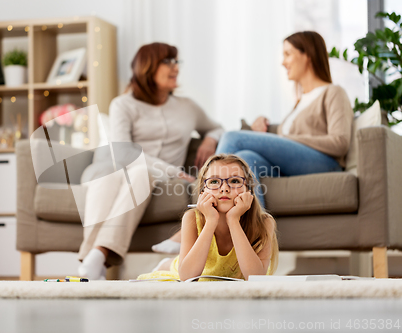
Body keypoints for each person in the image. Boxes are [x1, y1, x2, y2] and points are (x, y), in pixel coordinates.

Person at [152, 31, 353, 254]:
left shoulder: (332, 93)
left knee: (232, 138)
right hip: (292, 164)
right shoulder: (299, 101)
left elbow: (340, 142)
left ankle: (198, 217)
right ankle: (254, 241)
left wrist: (278, 138)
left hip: (324, 163)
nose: (283, 61)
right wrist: (264, 129)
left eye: (288, 54)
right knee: (245, 160)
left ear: (307, 55)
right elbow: (290, 139)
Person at [77, 42, 223, 280]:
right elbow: (124, 154)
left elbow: (217, 127)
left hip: (151, 177)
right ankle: (94, 260)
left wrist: (209, 139)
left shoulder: (187, 107)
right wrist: (172, 171)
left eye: (177, 61)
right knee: (111, 177)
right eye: (168, 61)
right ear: (147, 67)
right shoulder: (123, 104)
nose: (175, 67)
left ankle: (95, 258)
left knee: (141, 173)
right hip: (117, 168)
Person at [137, 154, 278, 281]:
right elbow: (187, 277)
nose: (224, 188)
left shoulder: (264, 222)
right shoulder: (192, 218)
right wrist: (211, 221)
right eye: (215, 182)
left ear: (248, 189)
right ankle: (165, 263)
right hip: (180, 269)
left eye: (235, 181)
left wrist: (233, 220)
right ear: (203, 190)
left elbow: (255, 278)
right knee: (171, 267)